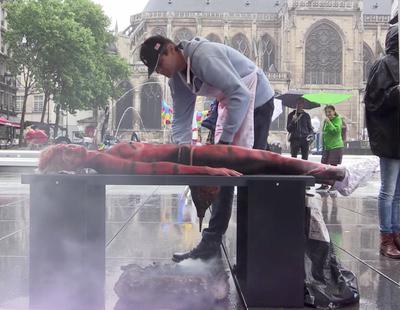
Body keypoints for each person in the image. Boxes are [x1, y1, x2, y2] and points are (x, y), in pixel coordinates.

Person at [140, 35, 275, 261]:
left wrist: (224, 144)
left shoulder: (203, 56)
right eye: (155, 69)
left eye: (160, 64)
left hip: (256, 100)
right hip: (231, 103)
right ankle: (211, 243)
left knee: (249, 172)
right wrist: (182, 153)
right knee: (221, 173)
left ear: (171, 49)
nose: (160, 71)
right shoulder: (177, 78)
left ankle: (257, 244)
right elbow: (181, 119)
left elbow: (241, 94)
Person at [364, 24, 400, 259]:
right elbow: (373, 100)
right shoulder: (382, 64)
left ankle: (396, 233)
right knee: (387, 191)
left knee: (399, 193)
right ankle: (385, 236)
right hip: (389, 137)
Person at [316, 105, 345, 193]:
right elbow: (325, 133)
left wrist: (329, 122)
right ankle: (324, 184)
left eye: (330, 111)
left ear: (334, 111)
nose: (328, 114)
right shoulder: (326, 121)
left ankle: (334, 185)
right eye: (326, 112)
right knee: (324, 166)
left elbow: (336, 131)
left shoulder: (338, 119)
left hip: (335, 146)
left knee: (333, 167)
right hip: (327, 147)